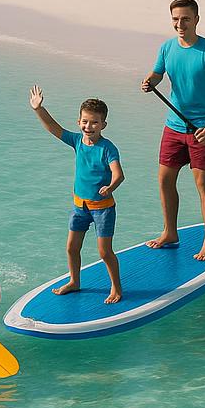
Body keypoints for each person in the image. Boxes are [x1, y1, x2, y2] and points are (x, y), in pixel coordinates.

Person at [142, 0, 205, 261]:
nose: (180, 24)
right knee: (164, 179)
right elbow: (158, 73)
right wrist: (151, 80)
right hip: (174, 125)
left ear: (196, 20)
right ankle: (170, 232)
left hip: (203, 128)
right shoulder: (167, 48)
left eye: (185, 19)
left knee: (202, 183)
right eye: (176, 19)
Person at [29, 86, 125, 303]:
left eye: (94, 122)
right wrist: (38, 109)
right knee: (72, 248)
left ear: (103, 125)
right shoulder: (77, 141)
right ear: (78, 121)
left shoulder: (108, 148)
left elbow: (119, 174)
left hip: (102, 209)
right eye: (84, 121)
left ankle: (116, 288)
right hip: (79, 206)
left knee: (104, 252)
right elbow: (54, 128)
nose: (88, 126)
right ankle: (74, 281)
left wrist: (110, 187)